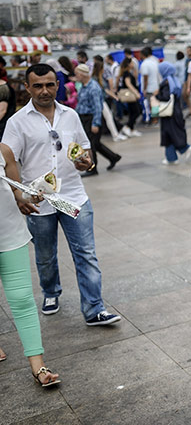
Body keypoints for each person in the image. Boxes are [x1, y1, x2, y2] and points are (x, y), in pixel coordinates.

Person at [2, 63, 121, 326]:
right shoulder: (17, 122)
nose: (45, 91)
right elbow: (7, 160)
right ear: (27, 87)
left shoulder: (71, 115)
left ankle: (94, 308)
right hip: (39, 200)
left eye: (49, 84)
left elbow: (85, 153)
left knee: (85, 253)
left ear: (57, 84)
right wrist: (17, 194)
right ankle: (51, 292)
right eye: (38, 86)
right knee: (45, 254)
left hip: (72, 196)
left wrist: (86, 163)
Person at [0, 143, 61, 387]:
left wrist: (31, 194)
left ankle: (38, 366)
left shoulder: (3, 151)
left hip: (10, 233)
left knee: (23, 299)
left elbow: (17, 192)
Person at [74, 64, 121, 175]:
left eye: (76, 74)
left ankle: (92, 168)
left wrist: (95, 123)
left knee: (90, 145)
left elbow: (97, 107)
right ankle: (113, 157)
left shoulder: (93, 88)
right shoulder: (83, 86)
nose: (75, 77)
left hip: (91, 118)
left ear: (82, 74)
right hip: (84, 118)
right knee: (96, 143)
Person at [157, 62, 191, 165]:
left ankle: (184, 148)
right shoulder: (175, 80)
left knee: (168, 134)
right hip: (176, 111)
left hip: (168, 113)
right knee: (171, 134)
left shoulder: (166, 83)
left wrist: (157, 95)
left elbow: (165, 97)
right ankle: (171, 157)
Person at [92, 55, 126, 143]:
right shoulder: (95, 79)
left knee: (108, 117)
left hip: (101, 101)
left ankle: (115, 135)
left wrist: (114, 96)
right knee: (108, 117)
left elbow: (105, 89)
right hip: (99, 102)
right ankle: (115, 135)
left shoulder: (97, 79)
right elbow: (105, 89)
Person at [118, 58, 143, 138]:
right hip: (130, 95)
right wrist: (136, 93)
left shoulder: (129, 72)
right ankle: (127, 127)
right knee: (137, 111)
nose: (133, 64)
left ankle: (131, 129)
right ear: (128, 64)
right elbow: (128, 84)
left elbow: (135, 78)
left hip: (131, 95)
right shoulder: (127, 73)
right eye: (132, 63)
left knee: (133, 112)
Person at [139, 47, 160, 124]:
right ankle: (156, 119)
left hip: (149, 87)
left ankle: (154, 120)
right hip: (156, 86)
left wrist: (144, 89)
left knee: (151, 105)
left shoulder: (144, 64)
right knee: (155, 104)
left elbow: (145, 78)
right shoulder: (154, 61)